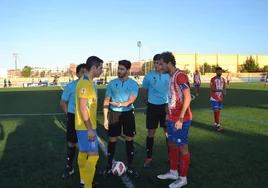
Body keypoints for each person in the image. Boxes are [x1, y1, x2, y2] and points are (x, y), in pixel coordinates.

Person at [157, 52, 192, 188]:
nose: (159, 66)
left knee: (182, 146)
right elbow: (172, 97)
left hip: (181, 119)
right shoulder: (170, 76)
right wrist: (168, 114)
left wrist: (181, 118)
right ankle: (173, 172)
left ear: (169, 63)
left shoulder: (180, 76)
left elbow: (187, 97)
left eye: (161, 63)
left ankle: (183, 178)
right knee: (171, 143)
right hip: (171, 117)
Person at [102, 60, 139, 178]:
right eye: (118, 68)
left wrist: (121, 104)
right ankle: (108, 166)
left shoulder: (133, 84)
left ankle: (130, 166)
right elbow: (106, 100)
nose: (119, 71)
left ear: (128, 70)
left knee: (129, 139)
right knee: (112, 140)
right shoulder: (112, 83)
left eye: (122, 69)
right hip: (114, 114)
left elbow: (131, 101)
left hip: (128, 114)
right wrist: (105, 118)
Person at [75, 56, 103, 188]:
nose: (102, 71)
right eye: (101, 68)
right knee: (93, 156)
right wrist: (90, 129)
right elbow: (82, 107)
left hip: (83, 126)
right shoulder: (85, 83)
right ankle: (88, 185)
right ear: (94, 67)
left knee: (83, 152)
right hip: (86, 126)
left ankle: (83, 181)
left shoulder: (87, 81)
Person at [141, 54, 169, 168]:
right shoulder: (148, 77)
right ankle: (149, 158)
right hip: (152, 107)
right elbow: (144, 93)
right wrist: (149, 104)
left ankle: (170, 156)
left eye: (159, 63)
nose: (156, 65)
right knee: (151, 133)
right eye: (155, 63)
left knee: (168, 133)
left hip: (166, 108)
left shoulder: (169, 76)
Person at [60, 63, 86, 179]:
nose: (84, 75)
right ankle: (69, 167)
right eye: (82, 72)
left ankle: (88, 169)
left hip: (87, 119)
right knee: (72, 142)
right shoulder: (71, 86)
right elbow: (63, 103)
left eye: (86, 72)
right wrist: (69, 115)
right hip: (74, 117)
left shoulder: (92, 86)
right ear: (77, 74)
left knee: (87, 145)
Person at [210, 67, 226, 131]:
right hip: (214, 98)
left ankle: (215, 123)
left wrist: (224, 91)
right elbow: (212, 89)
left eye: (220, 71)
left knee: (217, 112)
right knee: (216, 111)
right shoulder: (213, 79)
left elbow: (224, 87)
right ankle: (218, 125)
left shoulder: (223, 79)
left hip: (220, 98)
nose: (219, 72)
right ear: (216, 72)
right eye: (218, 71)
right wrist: (221, 90)